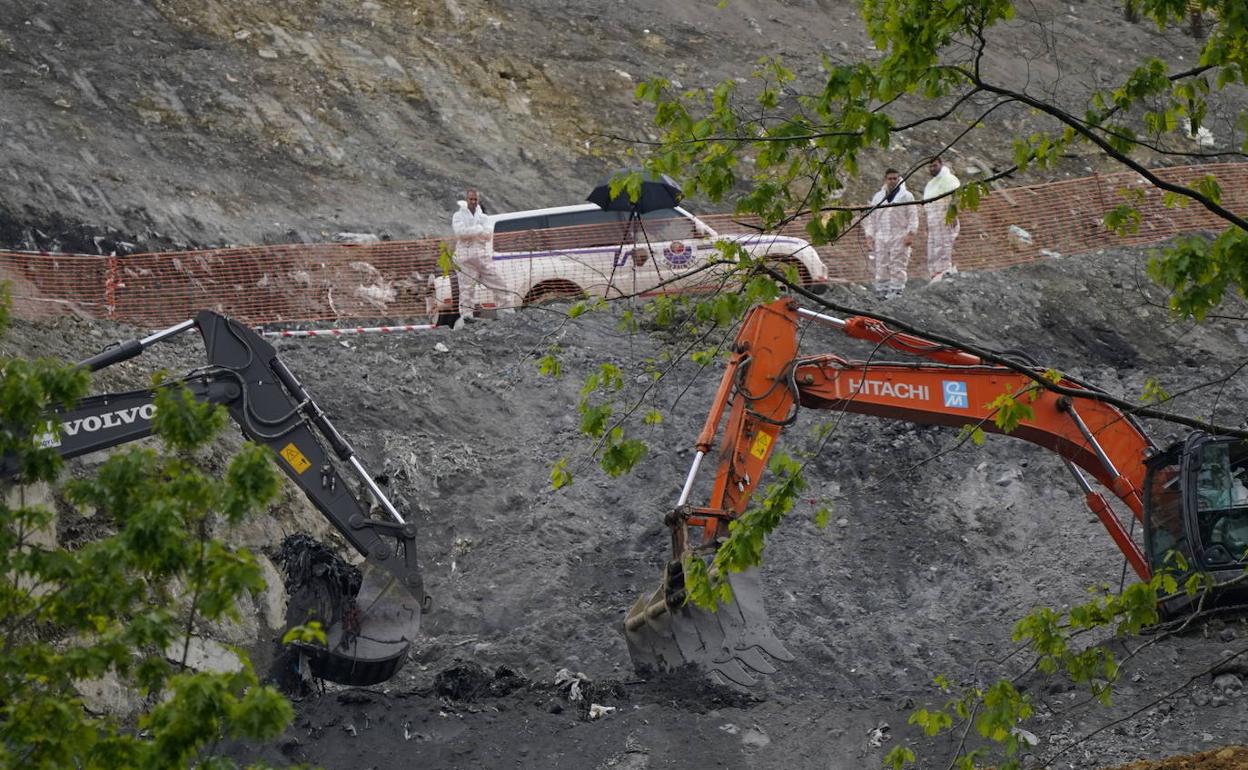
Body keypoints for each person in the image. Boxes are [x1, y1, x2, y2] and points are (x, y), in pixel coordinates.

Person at [862, 168, 918, 300]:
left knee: (897, 263)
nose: (892, 181)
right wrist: (869, 236)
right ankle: (882, 290)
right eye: (890, 178)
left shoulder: (906, 196)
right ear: (885, 180)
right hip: (881, 236)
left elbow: (913, 216)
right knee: (881, 263)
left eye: (895, 178)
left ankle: (897, 291)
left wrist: (911, 233)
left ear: (898, 179)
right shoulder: (878, 197)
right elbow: (872, 219)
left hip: (899, 235)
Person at [451, 189, 505, 321]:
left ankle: (507, 311)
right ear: (466, 199)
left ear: (478, 200)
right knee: (466, 289)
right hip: (465, 257)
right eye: (471, 199)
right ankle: (466, 316)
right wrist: (478, 230)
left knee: (499, 284)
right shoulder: (458, 216)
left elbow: (487, 235)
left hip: (482, 256)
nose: (473, 202)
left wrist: (472, 233)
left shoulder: (484, 217)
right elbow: (460, 233)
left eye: (475, 199)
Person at [922, 156, 961, 282]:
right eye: (930, 166)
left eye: (935, 165)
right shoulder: (930, 184)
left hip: (944, 216)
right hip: (933, 219)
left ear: (941, 164)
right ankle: (934, 273)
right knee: (932, 246)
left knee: (943, 245)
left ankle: (944, 271)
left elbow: (955, 195)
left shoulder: (949, 179)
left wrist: (953, 213)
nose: (932, 168)